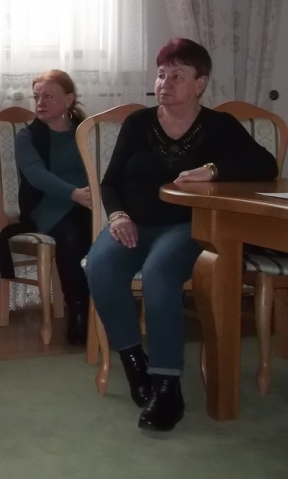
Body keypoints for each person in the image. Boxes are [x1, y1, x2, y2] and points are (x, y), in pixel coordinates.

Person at [85, 38, 278, 432]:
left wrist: (213, 169)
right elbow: (111, 181)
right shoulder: (138, 123)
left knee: (159, 275)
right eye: (161, 75)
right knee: (100, 267)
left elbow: (265, 164)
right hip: (134, 223)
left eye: (177, 76)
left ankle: (167, 386)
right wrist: (117, 215)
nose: (164, 84)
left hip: (188, 225)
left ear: (200, 83)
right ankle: (135, 363)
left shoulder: (219, 126)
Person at [0, 70, 93, 346]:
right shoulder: (27, 137)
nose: (40, 103)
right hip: (47, 205)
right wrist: (74, 193)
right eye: (37, 97)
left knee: (107, 229)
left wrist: (93, 196)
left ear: (69, 99)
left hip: (87, 200)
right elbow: (37, 175)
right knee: (72, 234)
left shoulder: (87, 131)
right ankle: (79, 312)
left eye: (48, 96)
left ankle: (105, 308)